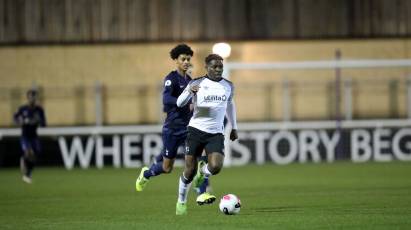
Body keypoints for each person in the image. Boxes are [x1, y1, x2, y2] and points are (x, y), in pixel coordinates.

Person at [135, 44, 216, 204]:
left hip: (189, 129)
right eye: (183, 59)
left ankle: (202, 192)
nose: (186, 61)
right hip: (172, 129)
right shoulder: (170, 79)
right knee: (166, 167)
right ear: (176, 61)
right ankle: (146, 174)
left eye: (188, 59)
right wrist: (184, 102)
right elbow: (166, 100)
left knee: (198, 160)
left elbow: (194, 103)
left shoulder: (190, 80)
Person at [175, 54, 238, 215]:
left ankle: (202, 175)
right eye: (215, 67)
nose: (218, 69)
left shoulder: (228, 85)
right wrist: (189, 91)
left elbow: (230, 105)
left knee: (216, 166)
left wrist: (234, 127)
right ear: (207, 67)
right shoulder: (196, 83)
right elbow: (179, 103)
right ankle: (181, 202)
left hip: (215, 133)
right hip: (195, 130)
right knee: (189, 171)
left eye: (220, 66)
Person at [13, 89, 47, 184]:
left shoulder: (39, 110)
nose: (32, 99)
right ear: (27, 97)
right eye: (31, 96)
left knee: (35, 155)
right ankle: (24, 159)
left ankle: (28, 174)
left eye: (34, 96)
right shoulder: (22, 109)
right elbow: (15, 119)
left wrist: (38, 121)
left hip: (34, 137)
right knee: (29, 152)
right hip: (25, 136)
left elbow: (44, 123)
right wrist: (21, 121)